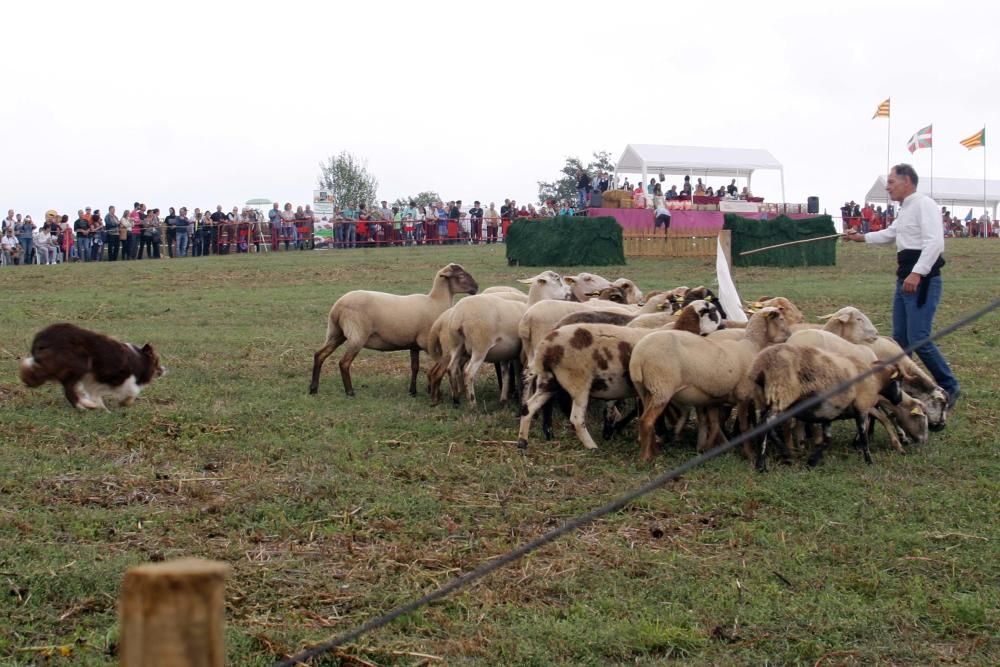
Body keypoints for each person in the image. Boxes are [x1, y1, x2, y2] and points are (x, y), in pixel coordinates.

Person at [844, 163, 960, 410]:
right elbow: (890, 234)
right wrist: (861, 237)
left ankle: (949, 387)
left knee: (919, 338)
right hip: (905, 279)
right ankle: (903, 387)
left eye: (891, 182)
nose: (888, 187)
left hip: (921, 280)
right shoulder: (906, 209)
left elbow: (934, 243)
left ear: (907, 181)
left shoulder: (924, 204)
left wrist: (917, 273)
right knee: (901, 341)